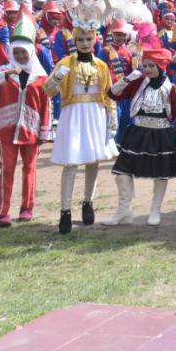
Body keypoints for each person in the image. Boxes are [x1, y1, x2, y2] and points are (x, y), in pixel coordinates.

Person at [46, 21, 119, 234]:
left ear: (95, 40)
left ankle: (88, 202)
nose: (85, 43)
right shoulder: (65, 63)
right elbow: (49, 91)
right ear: (74, 41)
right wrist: (57, 78)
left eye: (88, 39)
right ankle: (65, 210)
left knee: (92, 160)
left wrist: (112, 116)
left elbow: (108, 93)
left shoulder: (101, 65)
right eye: (80, 40)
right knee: (71, 162)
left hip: (95, 114)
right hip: (73, 115)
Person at [105, 47, 176, 226]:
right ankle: (124, 210)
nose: (147, 69)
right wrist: (126, 79)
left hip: (162, 134)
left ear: (161, 67)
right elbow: (112, 93)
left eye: (151, 66)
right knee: (122, 171)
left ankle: (155, 210)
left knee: (161, 173)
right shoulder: (137, 83)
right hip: (138, 132)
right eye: (145, 65)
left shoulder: (171, 88)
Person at [0, 26, 50, 227]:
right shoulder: (5, 72)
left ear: (30, 52)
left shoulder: (41, 77)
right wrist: (6, 74)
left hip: (31, 130)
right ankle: (1, 211)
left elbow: (46, 106)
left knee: (30, 169)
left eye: (24, 52)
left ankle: (27, 208)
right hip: (7, 130)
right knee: (7, 169)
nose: (20, 56)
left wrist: (44, 131)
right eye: (16, 53)